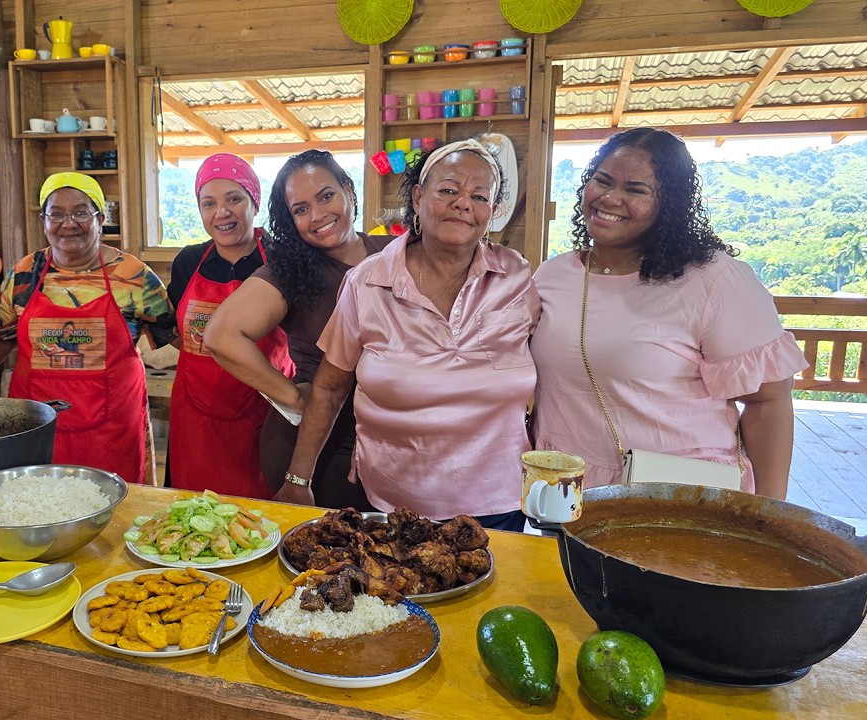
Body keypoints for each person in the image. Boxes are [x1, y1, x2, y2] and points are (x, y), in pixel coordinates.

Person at [530, 127, 806, 499]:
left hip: (677, 494)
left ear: (669, 205)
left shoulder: (714, 279)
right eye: (603, 181)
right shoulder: (553, 274)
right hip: (565, 489)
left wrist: (768, 514)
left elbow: (768, 401)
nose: (610, 198)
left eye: (635, 190)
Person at [275, 139, 539, 529]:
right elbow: (329, 388)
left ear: (493, 211)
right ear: (417, 197)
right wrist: (298, 480)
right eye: (448, 190)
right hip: (393, 505)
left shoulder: (516, 277)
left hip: (499, 503)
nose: (463, 204)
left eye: (480, 196)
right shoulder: (367, 281)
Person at [204, 150, 390, 511]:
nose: (317, 215)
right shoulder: (290, 271)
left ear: (348, 190)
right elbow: (221, 336)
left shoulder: (392, 253)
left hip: (392, 446)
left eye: (326, 196)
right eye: (301, 209)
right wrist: (293, 397)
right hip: (315, 455)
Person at [0, 172, 176, 484]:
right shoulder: (23, 274)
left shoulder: (134, 277)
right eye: (56, 214)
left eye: (81, 212)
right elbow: (1, 340)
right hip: (39, 426)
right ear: (43, 220)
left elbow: (174, 339)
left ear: (100, 219)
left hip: (113, 430)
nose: (69, 224)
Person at [165, 153, 295, 498]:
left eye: (234, 199)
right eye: (208, 203)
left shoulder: (283, 259)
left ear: (255, 202)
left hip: (265, 415)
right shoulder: (188, 262)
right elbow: (178, 333)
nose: (221, 213)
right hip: (196, 420)